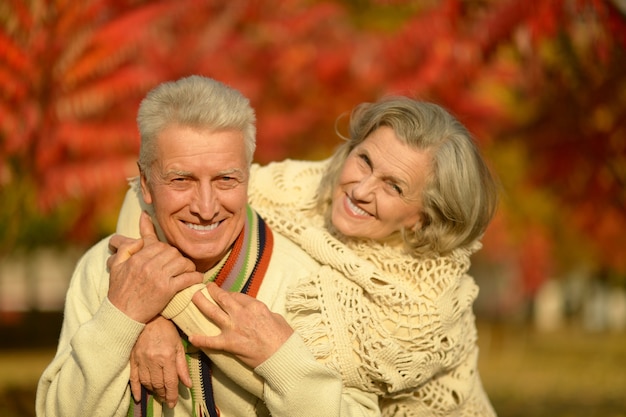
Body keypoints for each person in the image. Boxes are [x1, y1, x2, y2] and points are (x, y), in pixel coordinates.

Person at [117, 96, 499, 416]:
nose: (360, 189)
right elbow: (149, 192)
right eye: (364, 160)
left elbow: (293, 378)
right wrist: (150, 316)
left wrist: (160, 299)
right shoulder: (305, 186)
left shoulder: (425, 307)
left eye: (393, 186)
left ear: (424, 219)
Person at [36, 75, 380, 417]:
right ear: (146, 182)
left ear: (248, 177)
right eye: (181, 180)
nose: (205, 207)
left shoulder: (307, 284)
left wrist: (283, 362)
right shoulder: (105, 268)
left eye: (225, 179)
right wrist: (124, 318)